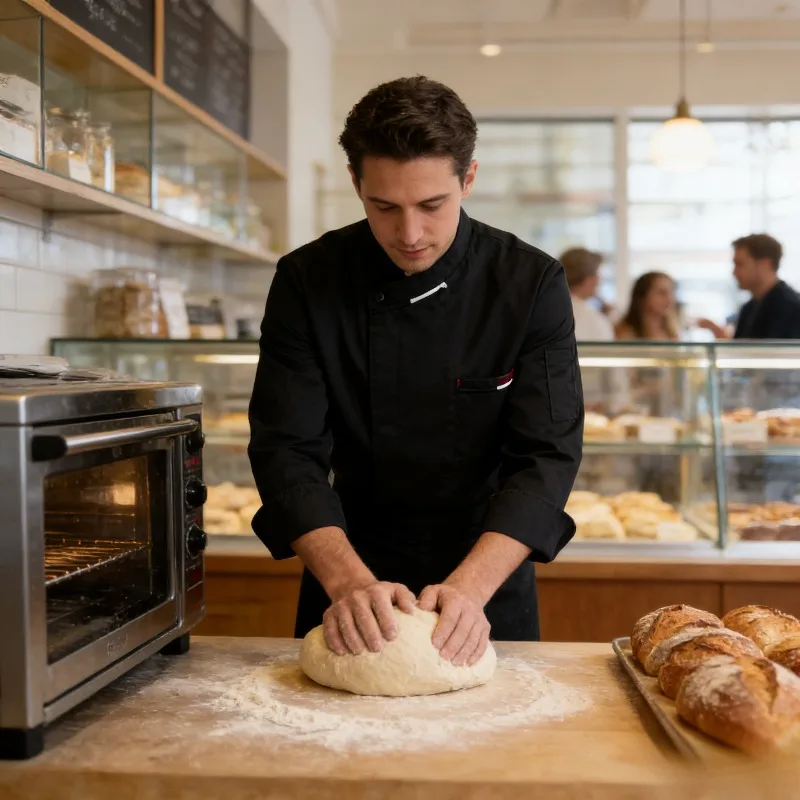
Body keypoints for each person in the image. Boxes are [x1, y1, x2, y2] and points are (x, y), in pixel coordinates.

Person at [248, 76, 583, 665]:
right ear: (356, 184)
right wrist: (348, 581)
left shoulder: (529, 283)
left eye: (432, 206)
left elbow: (547, 455)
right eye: (384, 207)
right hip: (347, 574)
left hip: (485, 580)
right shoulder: (308, 280)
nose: (410, 235)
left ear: (468, 179)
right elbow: (285, 448)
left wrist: (471, 588)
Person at [697, 234, 800, 339]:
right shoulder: (749, 308)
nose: (734, 272)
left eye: (740, 264)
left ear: (765, 265)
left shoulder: (790, 308)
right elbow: (740, 351)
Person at [560, 247, 614, 341]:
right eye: (597, 274)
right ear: (587, 278)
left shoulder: (546, 309)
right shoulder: (595, 321)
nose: (598, 280)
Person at [615, 271, 679, 340]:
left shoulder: (672, 331)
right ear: (642, 297)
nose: (669, 299)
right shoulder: (623, 333)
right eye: (661, 293)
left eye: (671, 292)